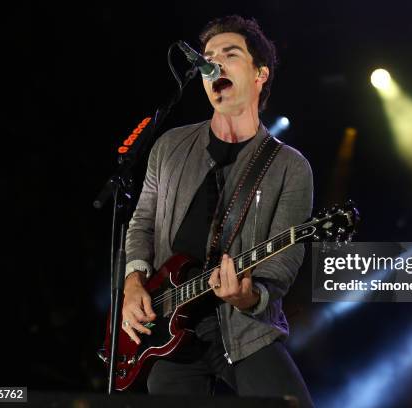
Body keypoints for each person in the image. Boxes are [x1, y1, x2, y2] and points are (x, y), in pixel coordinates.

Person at [121, 15, 314, 407]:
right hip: (166, 329)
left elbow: (287, 255)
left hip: (244, 328)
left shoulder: (289, 166)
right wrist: (133, 283)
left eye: (230, 54)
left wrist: (251, 297)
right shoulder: (170, 146)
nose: (215, 64)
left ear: (260, 73)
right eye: (208, 57)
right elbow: (141, 221)